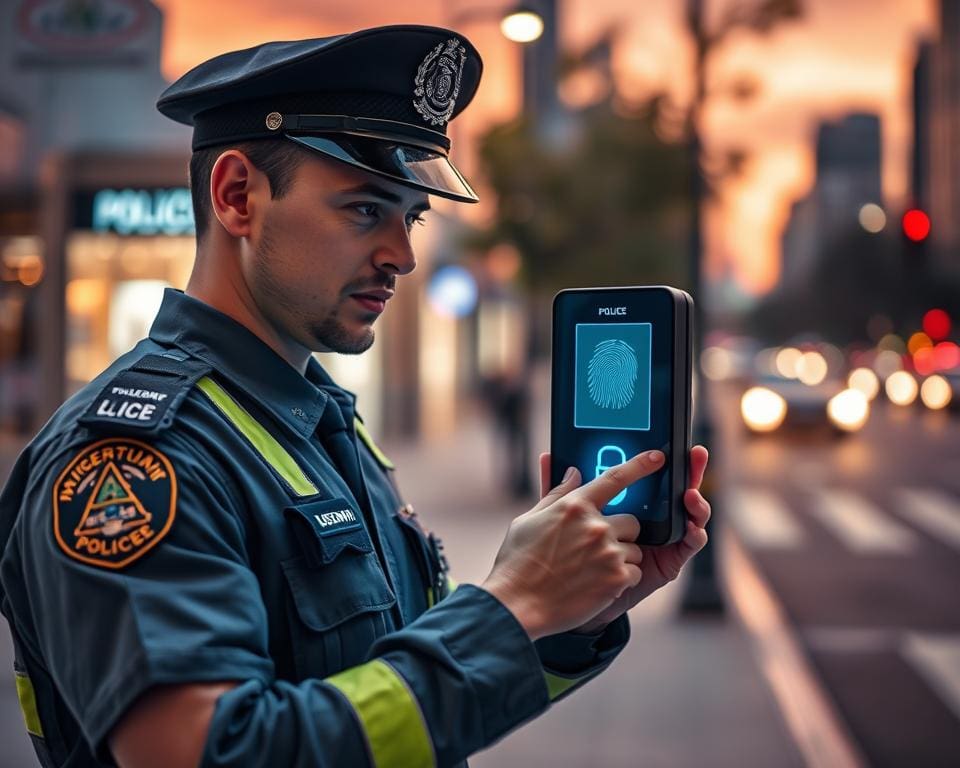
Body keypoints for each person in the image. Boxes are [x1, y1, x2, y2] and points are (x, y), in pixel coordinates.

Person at [0, 25, 711, 768]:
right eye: (366, 209)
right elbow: (209, 753)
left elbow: (403, 695)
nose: (401, 255)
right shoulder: (137, 459)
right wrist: (509, 606)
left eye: (412, 217)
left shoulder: (318, 424)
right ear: (237, 195)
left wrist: (565, 614)